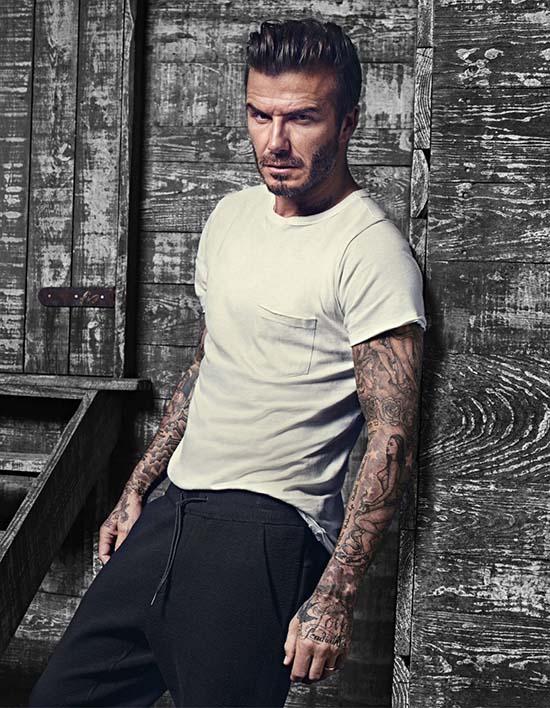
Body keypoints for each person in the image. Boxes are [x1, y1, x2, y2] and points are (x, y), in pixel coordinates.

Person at [29, 17, 426, 708]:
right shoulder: (230, 218)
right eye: (260, 115)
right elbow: (207, 365)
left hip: (268, 528)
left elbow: (391, 437)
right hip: (174, 509)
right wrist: (138, 487)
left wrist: (335, 595)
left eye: (301, 118)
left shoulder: (370, 249)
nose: (275, 142)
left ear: (348, 122)